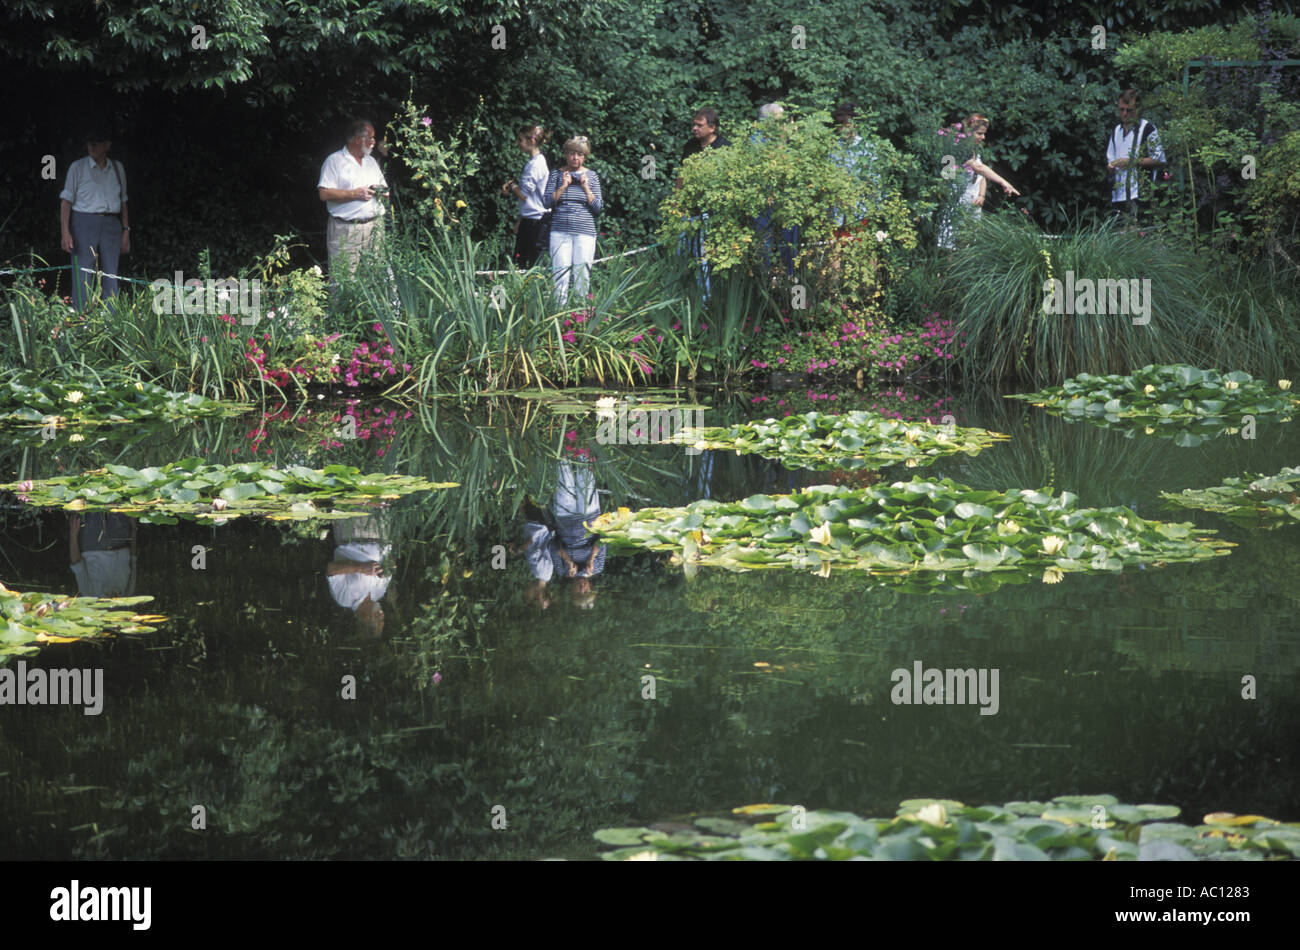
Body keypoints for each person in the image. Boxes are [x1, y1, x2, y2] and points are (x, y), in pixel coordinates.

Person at [59, 128, 129, 313]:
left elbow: (123, 201)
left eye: (97, 142)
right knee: (82, 274)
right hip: (83, 222)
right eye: (89, 142)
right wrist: (65, 232)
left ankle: (111, 322)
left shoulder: (117, 168)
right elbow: (66, 201)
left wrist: (126, 230)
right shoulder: (77, 167)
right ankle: (81, 321)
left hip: (111, 223)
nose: (91, 146)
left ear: (107, 145)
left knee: (110, 275)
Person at [317, 119, 389, 283]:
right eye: (370, 138)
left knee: (375, 279)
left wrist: (380, 191)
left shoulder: (371, 162)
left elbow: (386, 190)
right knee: (343, 281)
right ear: (358, 140)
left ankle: (370, 310)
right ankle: (342, 310)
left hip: (374, 228)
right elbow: (324, 193)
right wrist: (354, 194)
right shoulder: (334, 161)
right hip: (346, 230)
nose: (373, 142)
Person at [936, 113, 1019, 250]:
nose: (983, 137)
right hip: (956, 200)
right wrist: (1004, 182)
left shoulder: (973, 150)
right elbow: (978, 168)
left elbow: (981, 176)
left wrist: (982, 195)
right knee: (950, 244)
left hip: (972, 201)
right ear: (969, 132)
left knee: (968, 242)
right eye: (980, 134)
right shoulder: (955, 149)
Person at [544, 136, 604, 304]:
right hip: (559, 231)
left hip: (584, 232)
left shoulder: (591, 176)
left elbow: (598, 207)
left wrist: (585, 188)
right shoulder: (556, 174)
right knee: (560, 274)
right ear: (565, 155)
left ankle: (580, 315)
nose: (575, 158)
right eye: (571, 153)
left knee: (582, 275)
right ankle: (558, 314)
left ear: (585, 156)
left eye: (579, 154)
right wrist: (563, 186)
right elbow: (546, 202)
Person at [326, 509, 393, 637]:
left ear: (367, 618)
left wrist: (361, 568)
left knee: (350, 493)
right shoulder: (378, 594)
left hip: (352, 532)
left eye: (379, 619)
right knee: (382, 493)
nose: (382, 614)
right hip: (381, 533)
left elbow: (332, 569)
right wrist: (387, 568)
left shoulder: (344, 599)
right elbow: (390, 565)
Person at [549, 457, 605, 609]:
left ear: (572, 590)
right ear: (591, 588)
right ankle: (582, 443)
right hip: (590, 517)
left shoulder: (562, 570)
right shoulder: (597, 567)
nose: (582, 589)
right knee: (585, 477)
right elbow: (603, 541)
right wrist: (591, 559)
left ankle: (560, 441)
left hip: (564, 518)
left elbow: (552, 545)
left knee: (563, 475)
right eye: (586, 592)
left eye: (578, 593)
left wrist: (568, 561)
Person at [1106, 89, 1166, 225]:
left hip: (1141, 193)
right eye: (1122, 110)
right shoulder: (1116, 130)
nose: (1125, 114)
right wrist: (1111, 166)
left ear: (1137, 109)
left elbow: (1159, 158)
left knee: (1140, 234)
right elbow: (1110, 158)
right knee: (1121, 236)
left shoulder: (1148, 129)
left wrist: (1131, 162)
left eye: (1129, 110)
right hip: (1119, 193)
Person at [501, 124, 551, 268]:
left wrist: (512, 186)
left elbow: (524, 195)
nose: (518, 143)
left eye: (520, 140)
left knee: (530, 266)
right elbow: (532, 198)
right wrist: (521, 219)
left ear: (532, 142)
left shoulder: (536, 165)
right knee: (521, 262)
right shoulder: (534, 162)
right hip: (530, 219)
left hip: (537, 222)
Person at [68, 512, 136, 597]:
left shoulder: (89, 595)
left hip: (92, 543)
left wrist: (73, 534)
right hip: (121, 538)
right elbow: (133, 558)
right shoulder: (128, 594)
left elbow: (77, 563)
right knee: (116, 501)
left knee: (92, 504)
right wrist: (134, 529)